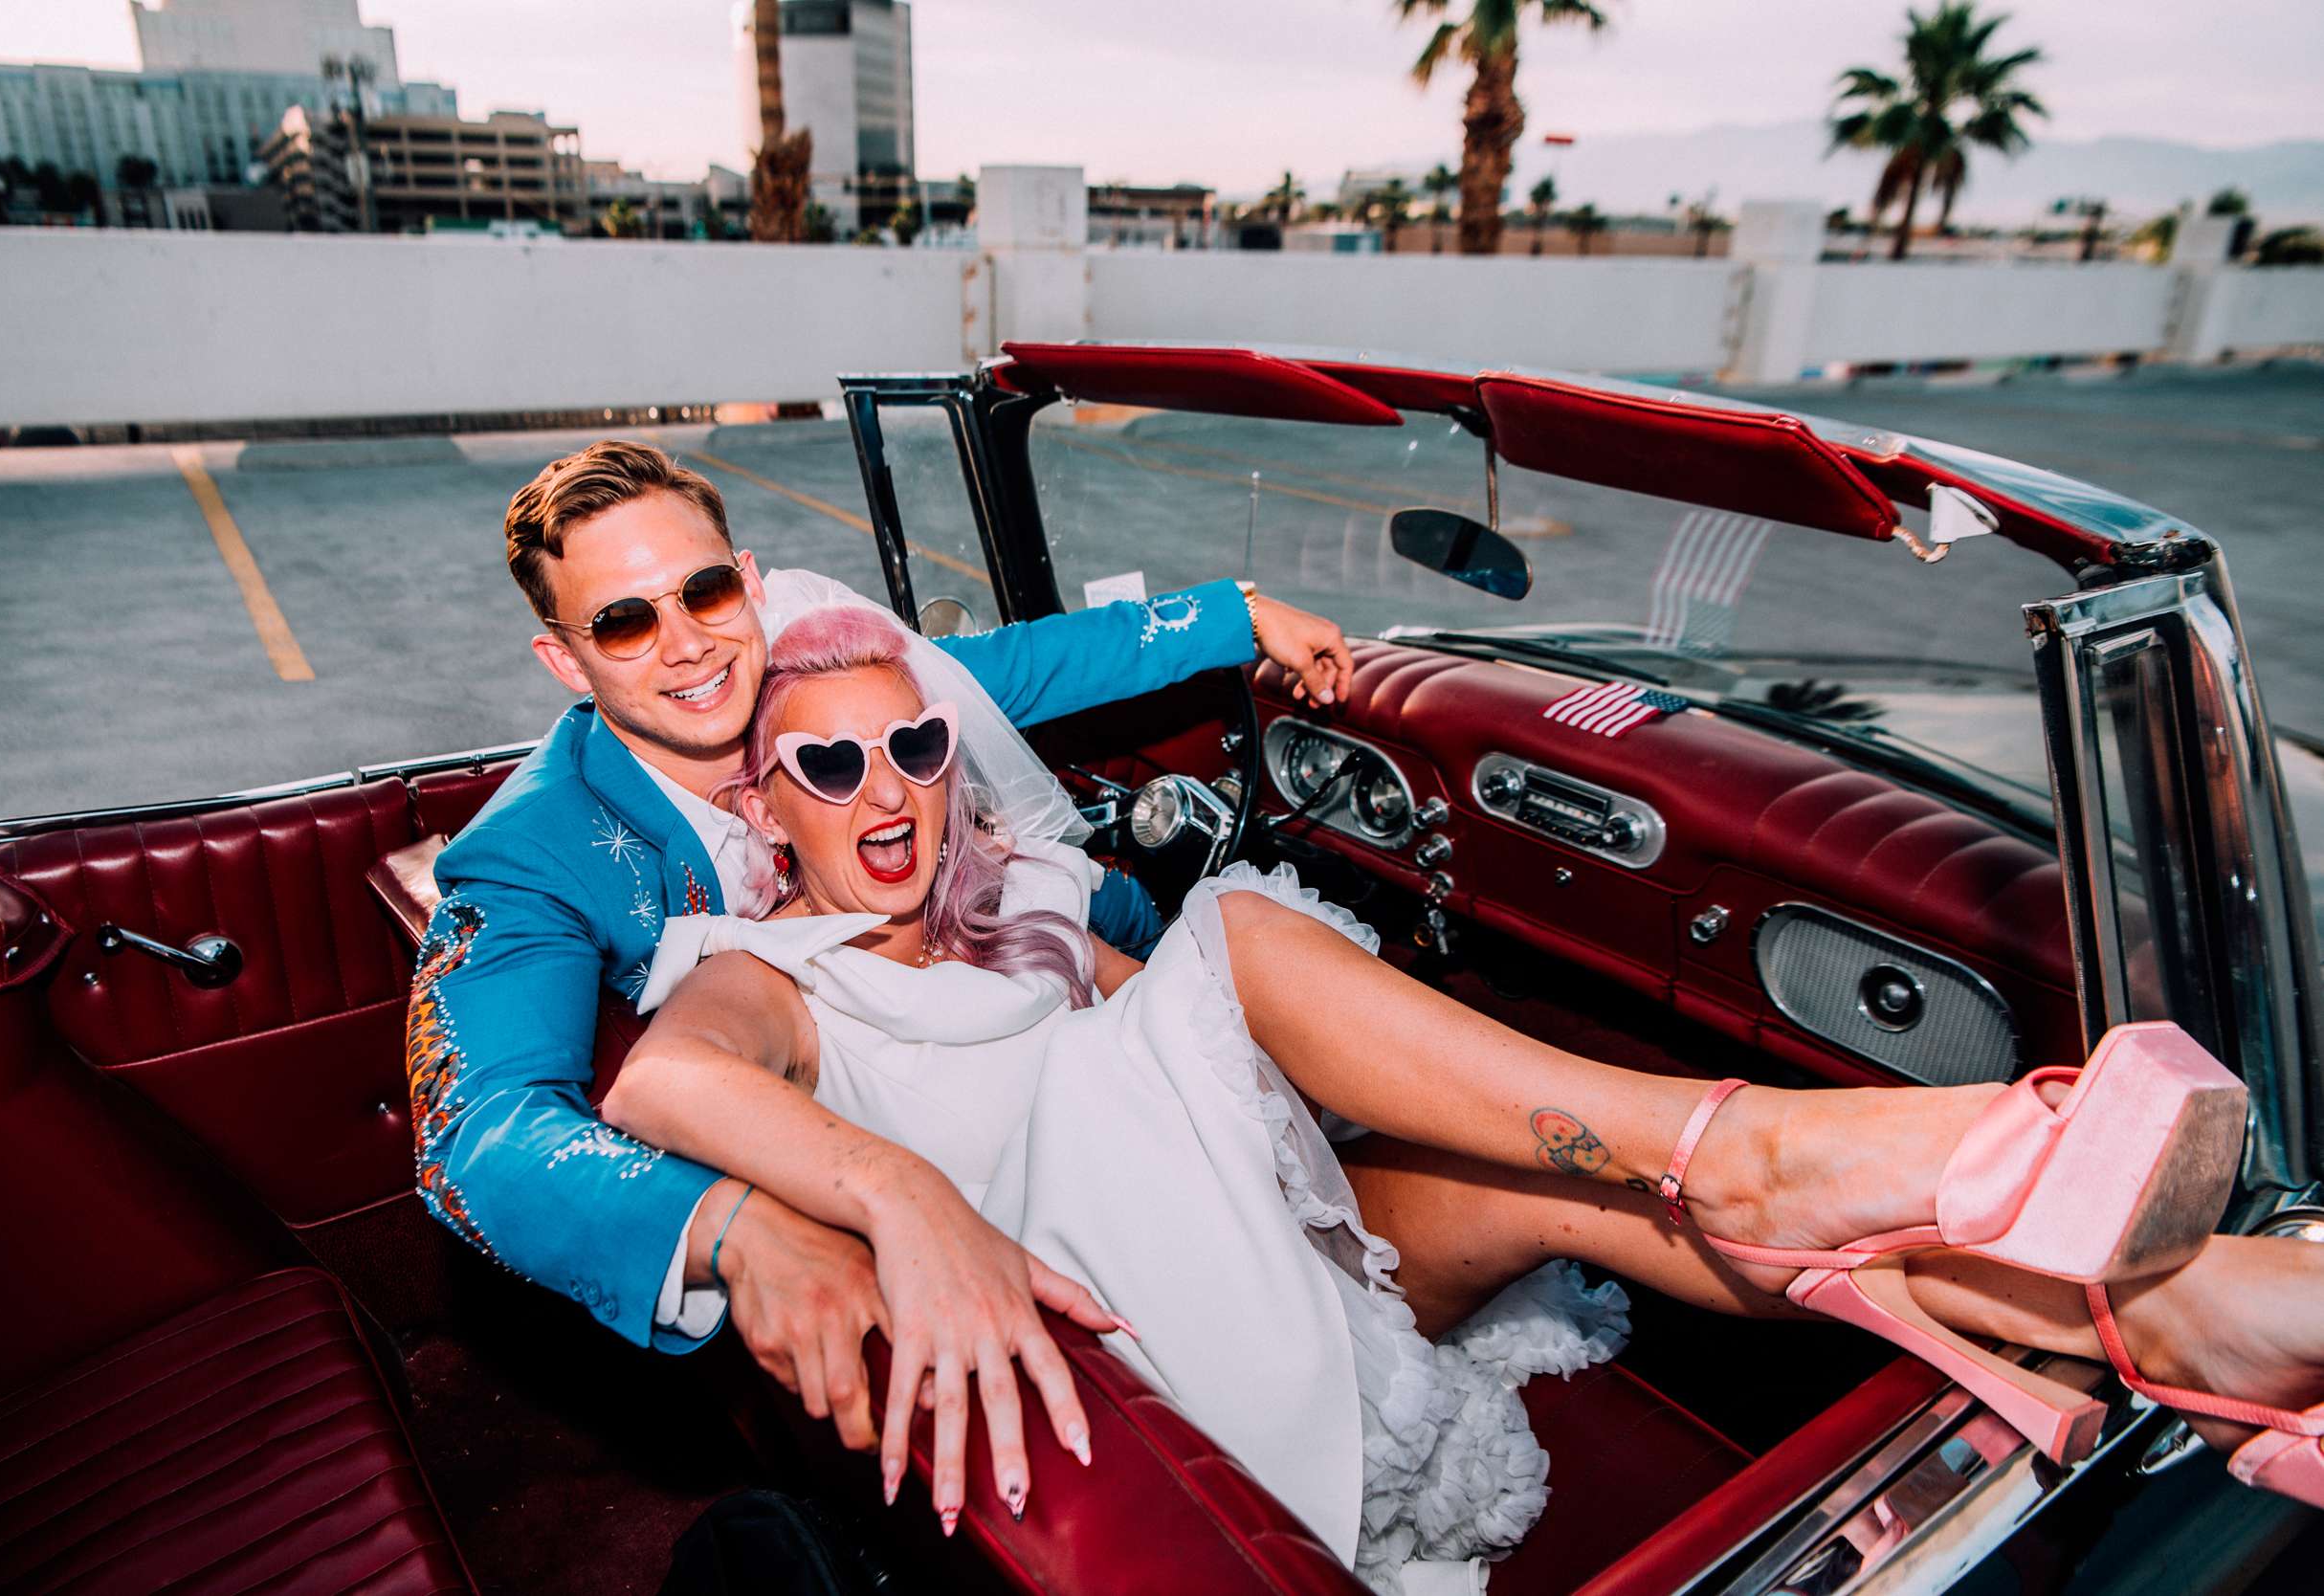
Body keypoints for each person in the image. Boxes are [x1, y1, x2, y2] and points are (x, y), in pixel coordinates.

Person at [608, 600, 2324, 1592]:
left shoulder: (1033, 908)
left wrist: (1373, 1103)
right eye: (829, 762)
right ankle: (1778, 1146)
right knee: (1244, 936)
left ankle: (2171, 1315)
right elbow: (663, 1078)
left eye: (915, 745)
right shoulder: (768, 980)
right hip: (1138, 1329)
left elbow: (1198, 1073)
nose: (888, 788)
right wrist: (903, 1198)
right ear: (766, 809)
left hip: (1258, 1238)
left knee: (1569, 1186)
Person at [406, 439, 1355, 1384]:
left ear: (748, 583)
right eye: (623, 623)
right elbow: (478, 1135)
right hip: (884, 1099)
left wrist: (1238, 614)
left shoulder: (804, 680)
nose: (688, 643)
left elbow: (1020, 666)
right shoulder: (531, 853)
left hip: (1037, 963)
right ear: (566, 660)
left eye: (705, 592)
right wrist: (733, 1228)